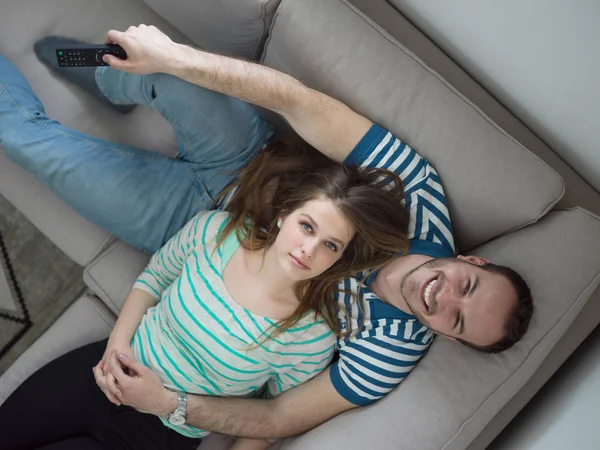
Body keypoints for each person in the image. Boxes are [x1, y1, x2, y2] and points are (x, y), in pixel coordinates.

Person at [0, 24, 533, 446]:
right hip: (251, 162)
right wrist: (171, 57)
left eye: (457, 320)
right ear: (473, 261)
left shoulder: (383, 359)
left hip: (184, 228)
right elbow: (302, 104)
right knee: (148, 68)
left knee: (29, 145)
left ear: (450, 339)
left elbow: (279, 414)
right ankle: (97, 71)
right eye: (467, 285)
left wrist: (171, 405)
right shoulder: (419, 197)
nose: (444, 297)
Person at [0, 130, 411, 449]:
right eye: (308, 226)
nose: (309, 249)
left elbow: (269, 420)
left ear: (339, 259)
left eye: (331, 246)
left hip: (155, 439)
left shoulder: (311, 336)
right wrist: (116, 347)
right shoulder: (218, 232)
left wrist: (163, 403)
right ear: (285, 215)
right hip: (101, 372)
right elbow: (154, 279)